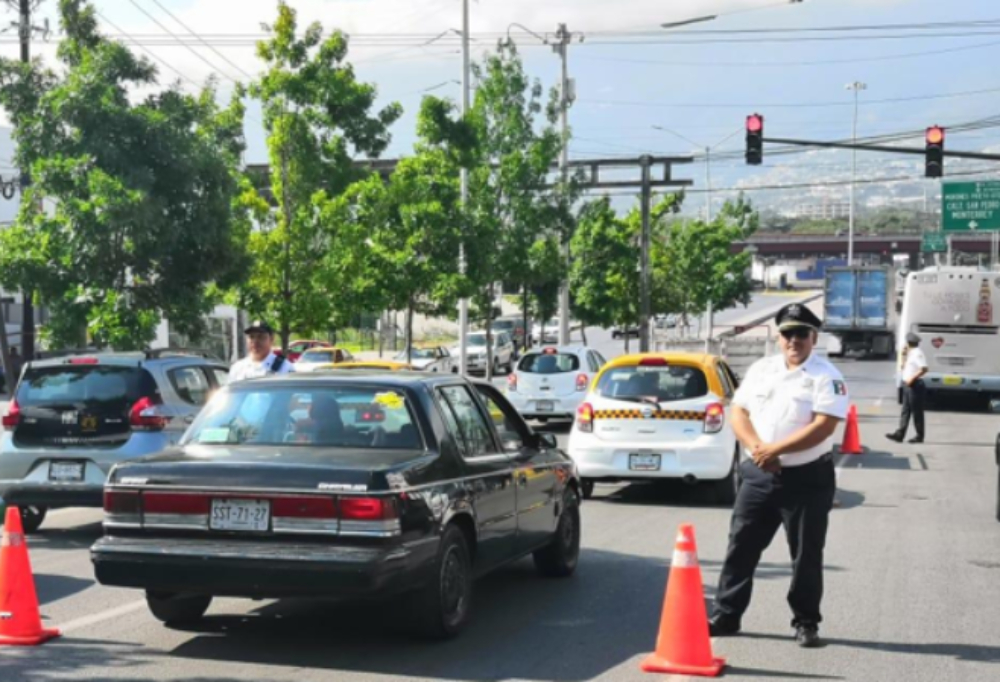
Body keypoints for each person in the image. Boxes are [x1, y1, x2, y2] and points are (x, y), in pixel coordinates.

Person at [709, 303, 849, 649]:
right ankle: (727, 614)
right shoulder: (762, 369)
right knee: (740, 546)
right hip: (758, 475)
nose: (794, 340)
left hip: (806, 480)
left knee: (805, 555)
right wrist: (759, 448)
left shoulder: (827, 376)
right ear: (778, 336)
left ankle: (805, 622)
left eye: (802, 333)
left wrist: (777, 451)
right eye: (788, 333)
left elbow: (823, 427)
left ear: (813, 337)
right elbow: (738, 411)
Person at [886, 332, 927, 444]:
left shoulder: (917, 353)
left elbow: (924, 369)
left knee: (916, 412)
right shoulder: (910, 353)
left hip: (915, 385)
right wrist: (904, 355)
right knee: (905, 411)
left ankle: (919, 436)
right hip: (907, 385)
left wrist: (912, 379)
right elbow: (903, 367)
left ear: (909, 342)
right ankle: (900, 434)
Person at [228, 320, 294, 382]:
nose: (255, 341)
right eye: (251, 337)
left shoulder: (284, 367)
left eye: (261, 337)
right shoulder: (238, 368)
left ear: (271, 339)